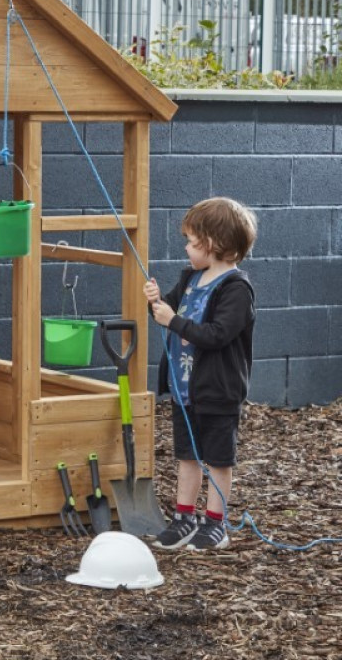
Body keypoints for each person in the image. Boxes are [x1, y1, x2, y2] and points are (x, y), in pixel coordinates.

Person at [143, 197, 257, 551]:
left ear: (215, 245)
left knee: (218, 459)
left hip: (217, 392)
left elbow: (217, 335)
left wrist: (172, 320)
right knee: (187, 456)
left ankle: (215, 523)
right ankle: (184, 518)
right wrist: (156, 302)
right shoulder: (191, 278)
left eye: (192, 242)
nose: (186, 248)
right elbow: (168, 312)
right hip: (184, 388)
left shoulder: (236, 289)